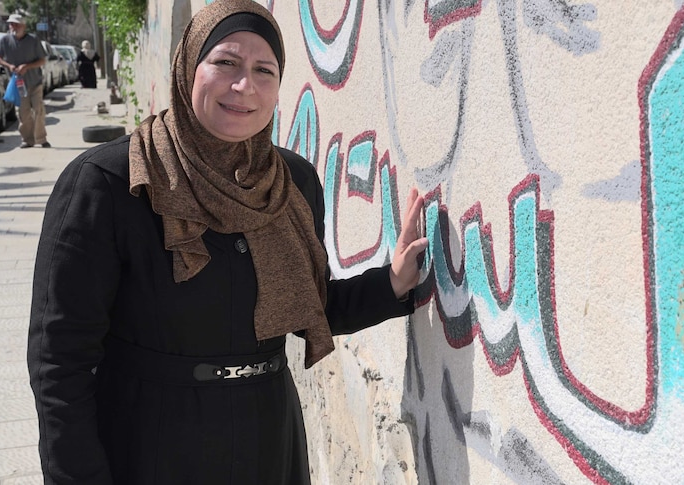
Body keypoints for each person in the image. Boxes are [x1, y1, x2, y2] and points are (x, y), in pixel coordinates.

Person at [27, 0, 428, 483]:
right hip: (150, 443)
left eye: (265, 70)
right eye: (225, 63)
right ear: (189, 65)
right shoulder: (109, 183)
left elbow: (309, 305)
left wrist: (391, 283)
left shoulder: (291, 185)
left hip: (268, 439)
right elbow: (60, 359)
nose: (245, 87)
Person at [0, 13, 49, 148]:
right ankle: (27, 140)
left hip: (35, 82)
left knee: (38, 110)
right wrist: (9, 66)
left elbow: (42, 60)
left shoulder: (33, 40)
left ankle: (41, 139)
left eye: (16, 24)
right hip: (18, 84)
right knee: (23, 113)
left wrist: (27, 66)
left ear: (23, 26)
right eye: (11, 24)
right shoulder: (5, 40)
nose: (13, 27)